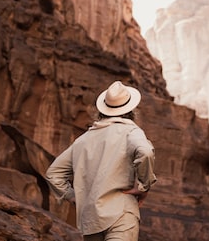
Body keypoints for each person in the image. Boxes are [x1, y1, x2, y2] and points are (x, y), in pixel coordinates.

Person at [46, 80, 157, 241]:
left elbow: (53, 173)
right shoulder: (131, 132)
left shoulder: (83, 140)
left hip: (91, 220)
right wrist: (143, 186)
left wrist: (72, 196)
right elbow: (145, 152)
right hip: (121, 214)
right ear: (131, 110)